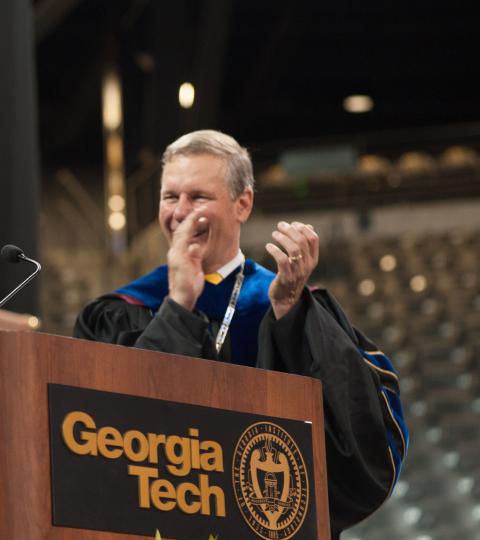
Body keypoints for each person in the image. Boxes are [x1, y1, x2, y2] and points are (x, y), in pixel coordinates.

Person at [74, 130, 407, 537]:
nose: (180, 212)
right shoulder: (122, 311)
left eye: (198, 197)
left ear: (243, 203)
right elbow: (109, 433)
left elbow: (361, 436)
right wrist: (178, 304)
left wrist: (290, 311)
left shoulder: (286, 303)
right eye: (169, 197)